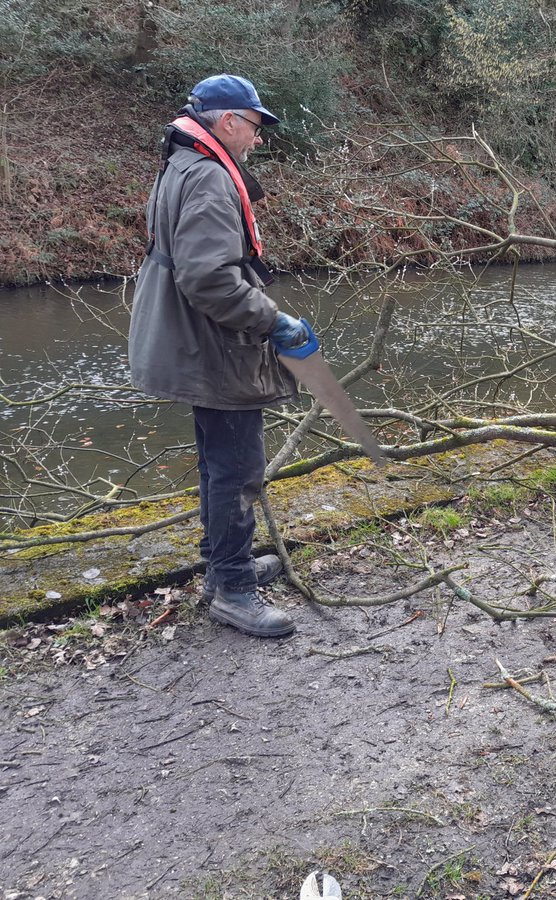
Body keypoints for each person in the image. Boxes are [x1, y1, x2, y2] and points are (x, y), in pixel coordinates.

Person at [128, 73, 317, 637]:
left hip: (189, 339)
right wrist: (274, 320)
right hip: (212, 345)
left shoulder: (180, 164)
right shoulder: (208, 177)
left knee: (218, 460)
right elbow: (210, 280)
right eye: (256, 126)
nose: (258, 139)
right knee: (238, 468)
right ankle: (234, 590)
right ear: (229, 121)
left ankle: (221, 568)